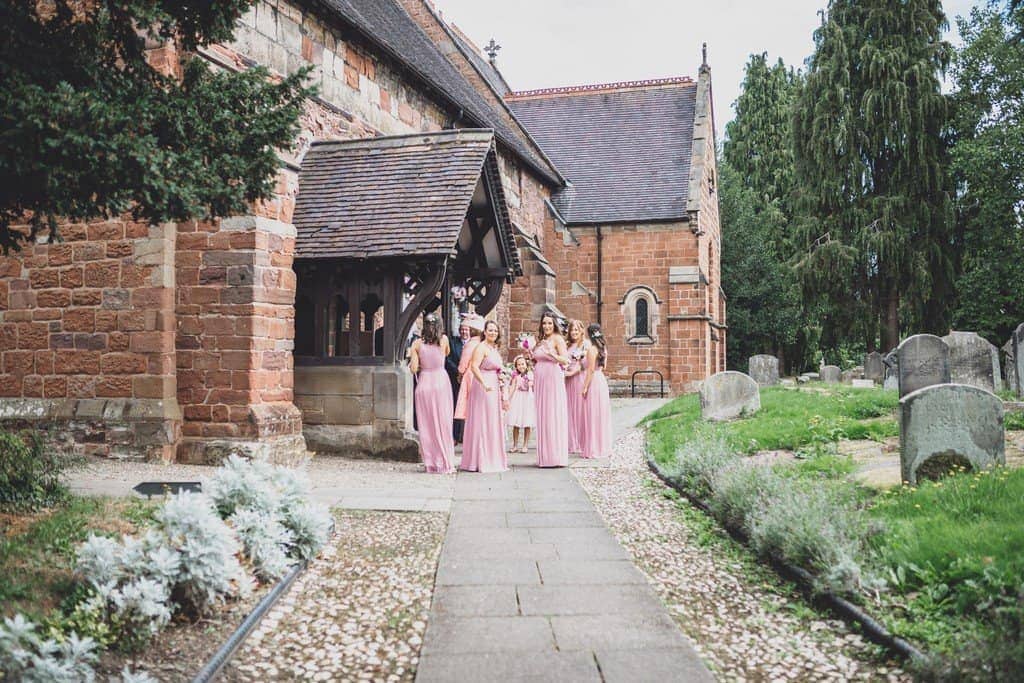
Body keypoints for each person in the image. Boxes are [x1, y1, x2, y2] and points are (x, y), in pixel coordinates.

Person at [408, 314, 455, 473]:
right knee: (443, 423)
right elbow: (446, 354)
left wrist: (415, 359)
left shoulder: (416, 344)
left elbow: (413, 369)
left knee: (426, 425)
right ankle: (445, 461)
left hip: (425, 383)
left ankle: (431, 463)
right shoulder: (444, 340)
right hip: (441, 382)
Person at [461, 320, 508, 473]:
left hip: (493, 384)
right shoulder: (481, 347)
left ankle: (492, 457)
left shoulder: (493, 348)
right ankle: (480, 459)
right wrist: (483, 383)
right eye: (490, 330)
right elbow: (474, 366)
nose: (493, 333)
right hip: (484, 386)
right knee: (483, 420)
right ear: (485, 332)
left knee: (492, 420)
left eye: (495, 330)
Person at [532, 312, 570, 467]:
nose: (546, 326)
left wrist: (551, 354)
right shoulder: (542, 340)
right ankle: (545, 456)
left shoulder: (557, 339)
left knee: (552, 413)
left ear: (554, 324)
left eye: (549, 323)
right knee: (543, 414)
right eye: (544, 323)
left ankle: (555, 456)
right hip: (540, 379)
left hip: (552, 378)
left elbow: (565, 360)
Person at [581, 323, 612, 459]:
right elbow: (603, 367)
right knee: (601, 414)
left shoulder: (592, 350)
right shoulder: (603, 349)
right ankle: (602, 446)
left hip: (594, 382)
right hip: (602, 381)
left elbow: (590, 370)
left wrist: (585, 387)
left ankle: (593, 449)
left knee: (592, 414)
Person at [454, 314, 485, 426]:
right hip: (481, 374)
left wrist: (460, 373)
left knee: (468, 402)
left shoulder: (471, 343)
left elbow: (463, 363)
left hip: (470, 374)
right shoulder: (482, 343)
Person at [564, 319, 589, 455]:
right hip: (568, 381)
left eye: (576, 330)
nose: (574, 332)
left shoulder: (585, 345)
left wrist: (571, 372)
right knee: (569, 410)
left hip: (579, 379)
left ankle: (581, 442)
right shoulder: (568, 346)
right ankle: (570, 442)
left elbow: (584, 364)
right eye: (572, 330)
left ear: (581, 331)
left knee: (580, 410)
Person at [447, 318, 472, 444]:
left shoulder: (474, 344)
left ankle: (468, 435)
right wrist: (458, 371)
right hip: (456, 379)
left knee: (471, 407)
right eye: (462, 329)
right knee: (457, 406)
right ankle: (456, 436)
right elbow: (448, 359)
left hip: (471, 378)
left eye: (466, 329)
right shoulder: (453, 343)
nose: (464, 332)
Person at [506, 355, 535, 453]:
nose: (521, 366)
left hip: (527, 399)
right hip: (518, 399)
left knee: (527, 422)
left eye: (522, 364)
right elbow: (513, 388)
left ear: (526, 365)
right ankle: (515, 445)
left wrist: (531, 383)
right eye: (518, 365)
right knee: (516, 423)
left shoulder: (530, 374)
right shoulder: (515, 376)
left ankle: (525, 445)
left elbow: (533, 386)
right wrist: (507, 399)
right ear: (516, 366)